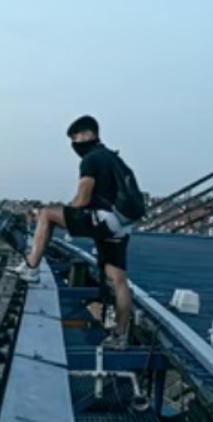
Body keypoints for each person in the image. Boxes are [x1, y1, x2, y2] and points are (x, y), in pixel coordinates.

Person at [15, 115, 135, 350]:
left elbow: (82, 199)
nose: (74, 143)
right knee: (118, 279)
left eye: (76, 137)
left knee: (47, 214)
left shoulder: (91, 159)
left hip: (103, 219)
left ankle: (31, 269)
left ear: (89, 134)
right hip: (122, 223)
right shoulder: (113, 158)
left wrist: (66, 213)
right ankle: (120, 335)